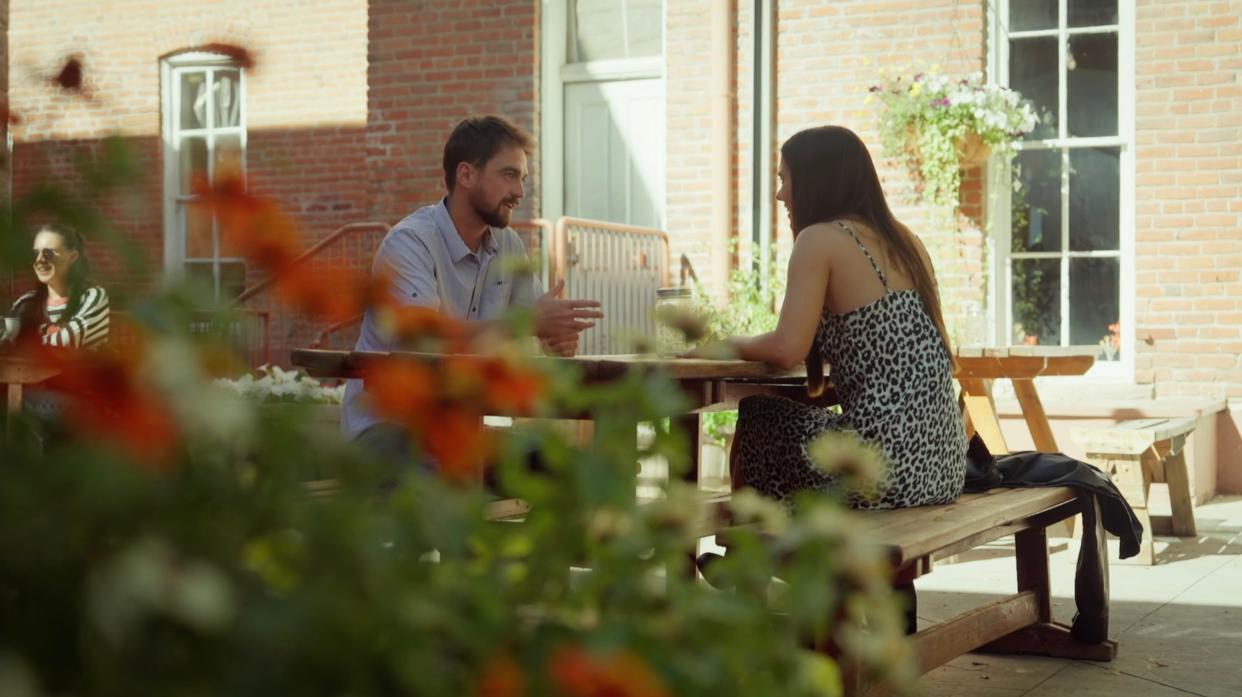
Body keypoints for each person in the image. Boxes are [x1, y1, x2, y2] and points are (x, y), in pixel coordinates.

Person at [713, 125, 966, 509]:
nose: (780, 193)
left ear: (816, 179)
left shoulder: (819, 239)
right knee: (808, 426)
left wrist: (722, 343)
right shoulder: (907, 241)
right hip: (943, 469)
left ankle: (747, 562)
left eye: (784, 178)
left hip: (882, 472)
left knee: (758, 417)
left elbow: (786, 348)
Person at [341, 115, 604, 464]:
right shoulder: (409, 243)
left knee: (572, 469)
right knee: (447, 477)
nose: (520, 192)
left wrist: (558, 335)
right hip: (388, 430)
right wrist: (528, 323)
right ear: (466, 175)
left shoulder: (507, 244)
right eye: (509, 175)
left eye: (522, 178)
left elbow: (541, 324)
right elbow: (424, 341)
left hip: (461, 431)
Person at [9, 223, 110, 349]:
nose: (39, 260)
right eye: (35, 254)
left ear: (72, 257)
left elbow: (65, 342)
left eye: (48, 253)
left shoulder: (92, 296)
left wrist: (21, 337)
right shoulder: (26, 302)